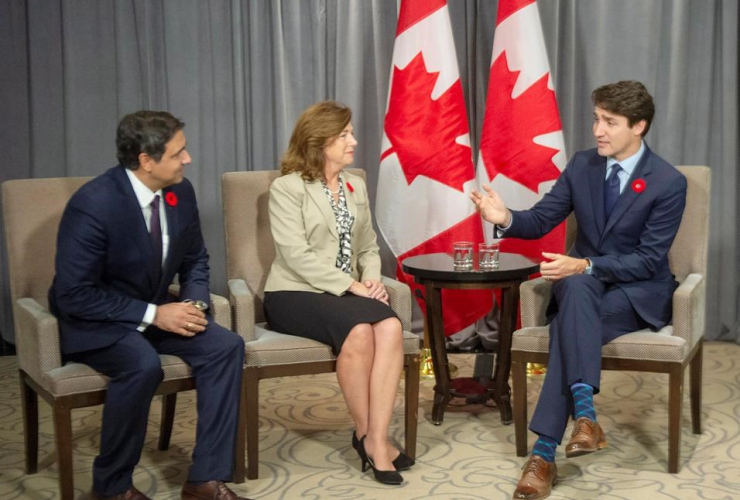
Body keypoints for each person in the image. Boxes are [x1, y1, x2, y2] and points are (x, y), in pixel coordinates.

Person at [470, 81, 687, 500]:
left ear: (638, 126)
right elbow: (541, 219)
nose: (598, 130)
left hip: (636, 292)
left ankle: (544, 453)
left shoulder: (667, 181)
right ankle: (584, 414)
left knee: (572, 308)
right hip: (583, 291)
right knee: (576, 290)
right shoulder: (582, 165)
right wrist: (505, 217)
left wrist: (585, 264)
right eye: (596, 119)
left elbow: (647, 259)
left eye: (610, 122)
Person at [48, 111, 253, 500]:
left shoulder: (180, 192)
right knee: (142, 366)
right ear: (146, 160)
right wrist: (155, 314)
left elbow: (195, 259)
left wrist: (192, 303)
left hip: (158, 310)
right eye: (178, 153)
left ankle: (204, 481)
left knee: (226, 347)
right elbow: (74, 293)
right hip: (98, 319)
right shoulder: (93, 204)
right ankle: (111, 488)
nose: (187, 159)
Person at [263, 100, 413, 485]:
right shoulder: (287, 188)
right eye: (344, 134)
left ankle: (374, 438)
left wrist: (372, 277)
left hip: (345, 294)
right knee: (361, 331)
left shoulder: (355, 185)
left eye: (350, 133)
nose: (354, 141)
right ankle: (370, 439)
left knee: (391, 327)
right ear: (319, 140)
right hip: (293, 293)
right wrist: (352, 285)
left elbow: (366, 246)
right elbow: (294, 255)